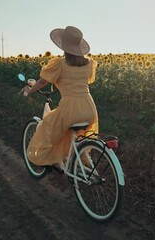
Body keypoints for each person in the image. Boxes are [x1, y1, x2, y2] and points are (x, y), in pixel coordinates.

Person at [24, 26, 98, 166]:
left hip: (70, 110)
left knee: (45, 127)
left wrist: (29, 90)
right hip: (89, 108)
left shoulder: (60, 64)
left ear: (64, 45)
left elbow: (42, 81)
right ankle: (71, 159)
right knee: (71, 133)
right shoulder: (89, 64)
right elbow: (86, 81)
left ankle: (51, 158)